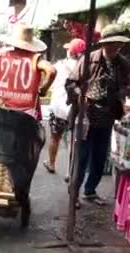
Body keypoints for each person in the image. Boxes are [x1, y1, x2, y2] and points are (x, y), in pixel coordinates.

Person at [66, 24, 130, 207]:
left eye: (118, 44)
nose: (115, 47)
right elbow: (71, 84)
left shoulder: (123, 64)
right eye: (112, 44)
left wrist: (124, 91)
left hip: (108, 114)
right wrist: (81, 95)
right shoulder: (88, 60)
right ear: (104, 44)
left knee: (100, 156)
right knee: (81, 156)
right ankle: (74, 193)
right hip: (86, 115)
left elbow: (127, 84)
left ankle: (90, 191)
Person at [0, 24, 57, 121]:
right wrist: (43, 90)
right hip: (25, 113)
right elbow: (51, 71)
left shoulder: (1, 55)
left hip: (0, 110)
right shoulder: (34, 59)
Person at [43, 38, 86, 174]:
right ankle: (69, 172)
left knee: (55, 137)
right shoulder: (84, 67)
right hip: (74, 108)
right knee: (72, 141)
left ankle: (51, 163)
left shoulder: (59, 65)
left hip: (58, 108)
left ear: (71, 51)